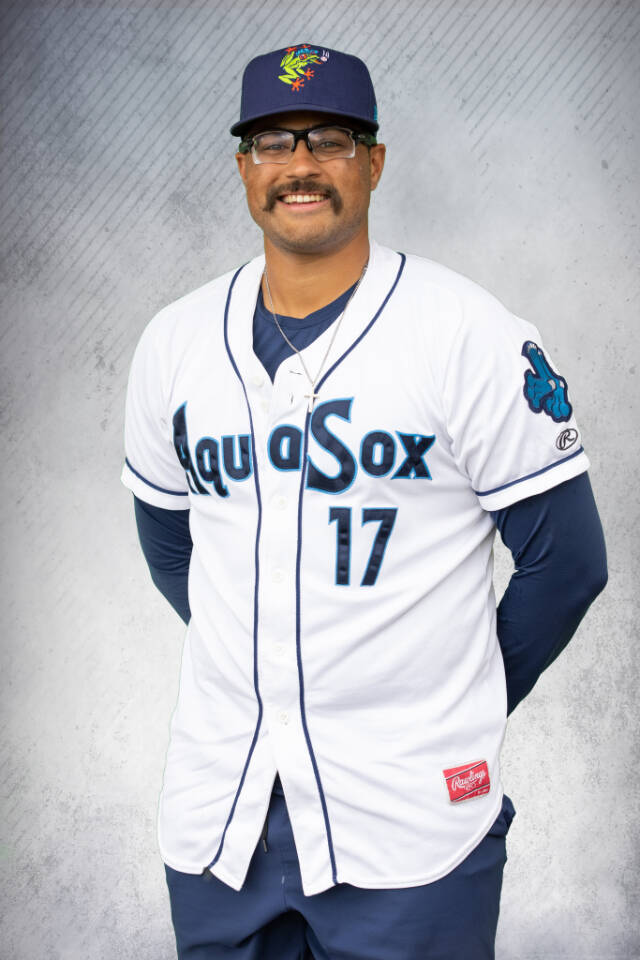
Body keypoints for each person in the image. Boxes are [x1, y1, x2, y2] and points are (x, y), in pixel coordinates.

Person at [121, 43, 607, 960]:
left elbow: (569, 563)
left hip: (411, 825)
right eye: (273, 141)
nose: (299, 164)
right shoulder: (174, 342)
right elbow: (170, 546)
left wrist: (458, 696)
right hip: (222, 817)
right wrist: (272, 666)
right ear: (243, 166)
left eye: (330, 139)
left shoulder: (465, 331)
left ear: (374, 161)